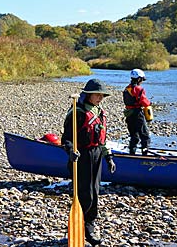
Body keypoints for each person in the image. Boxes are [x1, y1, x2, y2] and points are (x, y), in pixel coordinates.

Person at [61, 78, 116, 246]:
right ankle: (81, 229)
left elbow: (103, 139)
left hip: (97, 154)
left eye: (102, 95)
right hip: (81, 156)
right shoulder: (77, 112)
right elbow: (67, 138)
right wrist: (71, 151)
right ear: (88, 95)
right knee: (86, 193)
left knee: (95, 191)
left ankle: (89, 226)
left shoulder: (100, 111)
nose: (100, 98)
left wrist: (109, 157)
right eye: (97, 95)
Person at [123, 68, 153, 155]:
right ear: (139, 79)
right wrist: (149, 104)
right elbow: (144, 101)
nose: (142, 81)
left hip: (129, 114)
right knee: (145, 135)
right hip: (137, 114)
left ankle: (132, 153)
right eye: (142, 79)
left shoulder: (127, 88)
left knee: (134, 136)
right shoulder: (138, 89)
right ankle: (145, 153)